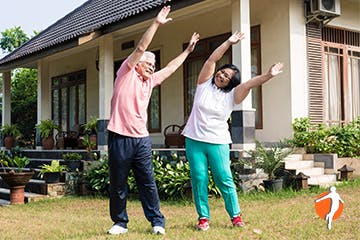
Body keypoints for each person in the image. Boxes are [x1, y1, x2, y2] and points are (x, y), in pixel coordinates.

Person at [106, 6, 199, 235]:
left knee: (147, 182)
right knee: (118, 183)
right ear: (137, 63)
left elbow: (171, 68)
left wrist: (187, 51)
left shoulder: (150, 82)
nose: (152, 67)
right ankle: (120, 223)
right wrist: (156, 23)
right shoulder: (125, 74)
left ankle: (157, 222)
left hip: (141, 140)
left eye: (153, 65)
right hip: (119, 136)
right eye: (149, 63)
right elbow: (141, 47)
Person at [182, 31, 284, 231]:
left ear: (231, 82)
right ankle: (203, 218)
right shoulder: (203, 84)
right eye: (221, 72)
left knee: (224, 178)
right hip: (194, 140)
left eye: (227, 76)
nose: (221, 75)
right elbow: (213, 58)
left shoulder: (232, 96)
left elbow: (248, 84)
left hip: (218, 142)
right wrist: (229, 42)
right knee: (199, 178)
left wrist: (268, 76)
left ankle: (235, 216)